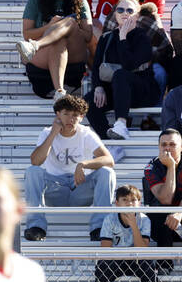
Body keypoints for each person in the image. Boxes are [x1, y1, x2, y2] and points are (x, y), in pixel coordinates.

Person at [22, 95, 116, 242]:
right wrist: (53, 133)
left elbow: (109, 160)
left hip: (80, 187)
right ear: (58, 114)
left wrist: (83, 164)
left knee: (106, 172)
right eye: (66, 114)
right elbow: (35, 161)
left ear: (81, 117)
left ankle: (100, 228)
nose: (70, 119)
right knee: (32, 171)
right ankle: (36, 227)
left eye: (75, 115)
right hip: (55, 190)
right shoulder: (47, 133)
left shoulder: (86, 133)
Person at [15, 0, 93, 100]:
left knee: (69, 22)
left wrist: (68, 27)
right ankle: (60, 91)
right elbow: (26, 34)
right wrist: (50, 26)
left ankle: (35, 46)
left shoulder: (79, 0)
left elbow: (88, 35)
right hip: (42, 68)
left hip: (73, 62)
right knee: (59, 41)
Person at [85, 0, 161, 140]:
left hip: (142, 91)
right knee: (88, 101)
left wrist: (123, 37)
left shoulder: (143, 38)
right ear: (115, 14)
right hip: (117, 91)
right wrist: (98, 87)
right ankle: (108, 139)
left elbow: (129, 65)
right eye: (120, 10)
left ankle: (121, 124)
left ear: (137, 16)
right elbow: (96, 67)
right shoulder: (106, 38)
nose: (124, 13)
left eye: (129, 10)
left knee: (121, 75)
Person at [95, 184, 156, 282]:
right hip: (117, 259)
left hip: (137, 259)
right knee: (101, 269)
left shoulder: (144, 220)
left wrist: (134, 225)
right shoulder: (110, 219)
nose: (130, 203)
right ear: (117, 203)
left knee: (149, 267)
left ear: (139, 204)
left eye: (134, 200)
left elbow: (142, 250)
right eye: (125, 199)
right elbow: (105, 250)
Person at [144, 129, 182, 271]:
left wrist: (178, 213)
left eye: (172, 144)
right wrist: (171, 166)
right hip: (161, 223)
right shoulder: (151, 167)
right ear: (159, 147)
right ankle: (163, 265)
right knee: (163, 211)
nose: (167, 148)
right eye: (164, 145)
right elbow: (166, 199)